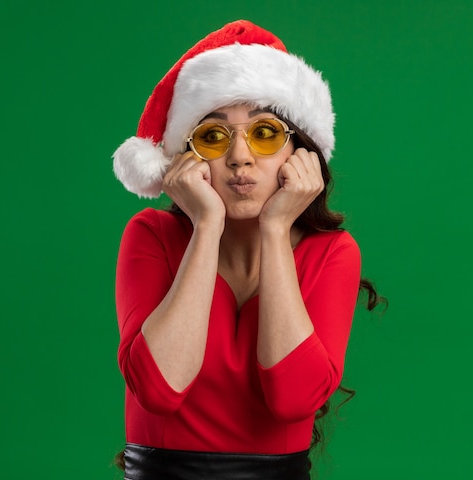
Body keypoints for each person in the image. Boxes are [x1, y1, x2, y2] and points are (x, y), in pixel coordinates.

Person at [112, 20, 384, 480]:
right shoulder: (150, 234)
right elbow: (159, 390)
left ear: (298, 153)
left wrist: (276, 229)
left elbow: (294, 400)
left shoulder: (331, 252)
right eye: (214, 138)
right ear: (186, 158)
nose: (240, 157)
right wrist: (206, 226)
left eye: (265, 134)